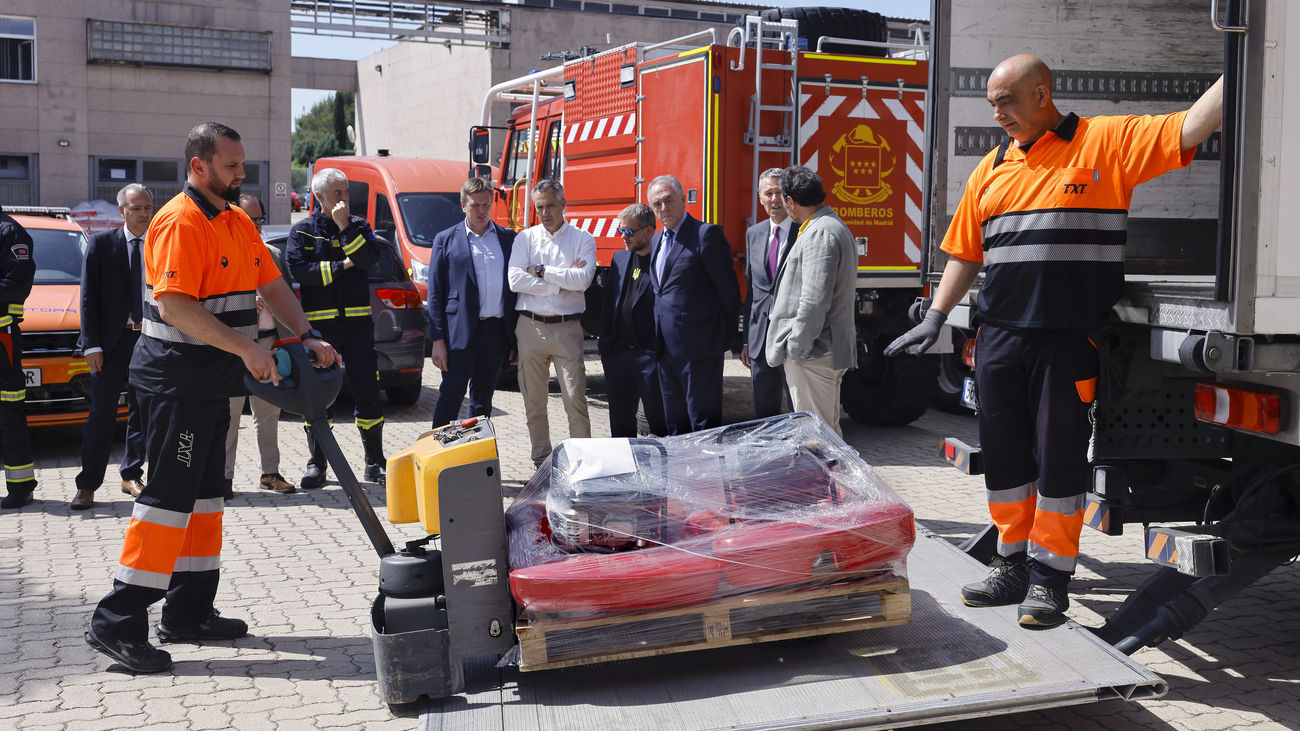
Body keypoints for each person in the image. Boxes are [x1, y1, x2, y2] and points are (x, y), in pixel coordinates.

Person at [885, 55, 1224, 629]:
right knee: (1006, 460)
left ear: (1042, 94)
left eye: (1007, 101)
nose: (998, 114)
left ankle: (1048, 579)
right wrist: (937, 315)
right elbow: (966, 252)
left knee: (1060, 461)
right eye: (992, 104)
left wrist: (1251, 54)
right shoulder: (991, 168)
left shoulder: (1105, 143)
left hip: (1067, 340)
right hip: (999, 338)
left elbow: (1191, 126)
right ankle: (1011, 564)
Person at [86, 122, 338, 673]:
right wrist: (247, 348)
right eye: (231, 165)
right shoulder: (179, 221)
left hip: (211, 382)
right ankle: (117, 621)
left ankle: (188, 612)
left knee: (204, 499)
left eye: (242, 163)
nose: (241, 173)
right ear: (198, 166)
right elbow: (175, 306)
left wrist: (306, 334)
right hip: (175, 382)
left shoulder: (235, 219)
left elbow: (272, 284)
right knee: (167, 501)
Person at [287, 168, 386, 487]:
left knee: (368, 392)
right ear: (319, 197)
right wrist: (343, 264)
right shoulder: (302, 231)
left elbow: (368, 259)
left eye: (346, 192)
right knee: (317, 397)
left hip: (357, 327)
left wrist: (344, 227)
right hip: (320, 331)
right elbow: (302, 272)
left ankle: (375, 463)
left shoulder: (358, 225)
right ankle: (317, 465)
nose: (345, 198)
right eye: (337, 193)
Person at [71, 184, 151, 510]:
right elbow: (88, 298)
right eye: (136, 208)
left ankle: (131, 474)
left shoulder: (160, 244)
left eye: (148, 207)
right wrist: (91, 345)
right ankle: (87, 484)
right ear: (122, 211)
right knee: (101, 414)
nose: (144, 214)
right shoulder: (102, 244)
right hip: (110, 345)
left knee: (141, 412)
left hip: (149, 340)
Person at [506, 180, 596, 466]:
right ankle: (541, 462)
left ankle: (582, 464)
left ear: (563, 205)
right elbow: (514, 280)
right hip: (530, 328)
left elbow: (583, 280)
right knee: (534, 402)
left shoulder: (582, 238)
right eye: (539, 207)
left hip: (567, 329)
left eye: (550, 206)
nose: (545, 213)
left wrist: (541, 270)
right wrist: (559, 283)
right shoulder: (525, 238)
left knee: (575, 400)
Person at [765, 166, 857, 437]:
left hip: (814, 354)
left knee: (816, 439)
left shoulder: (820, 232)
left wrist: (797, 349)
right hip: (822, 350)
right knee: (825, 435)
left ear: (790, 201)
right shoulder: (827, 226)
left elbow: (814, 301)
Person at [647, 175, 740, 434]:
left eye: (668, 200)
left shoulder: (705, 235)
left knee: (704, 426)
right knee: (675, 425)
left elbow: (728, 291)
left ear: (682, 199)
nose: (664, 208)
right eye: (657, 204)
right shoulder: (656, 240)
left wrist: (723, 339)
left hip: (700, 350)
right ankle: (679, 462)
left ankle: (708, 464)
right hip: (665, 349)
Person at [427, 177, 518, 428]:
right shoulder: (445, 239)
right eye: (475, 205)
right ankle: (437, 447)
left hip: (495, 331)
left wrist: (514, 340)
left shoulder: (507, 238)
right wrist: (437, 340)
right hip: (458, 332)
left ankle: (475, 449)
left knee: (482, 402)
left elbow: (515, 291)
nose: (481, 211)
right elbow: (435, 293)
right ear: (463, 205)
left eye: (486, 205)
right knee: (451, 396)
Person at [222, 194, 294, 497]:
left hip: (268, 344)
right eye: (248, 220)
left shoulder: (273, 254)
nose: (255, 225)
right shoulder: (222, 253)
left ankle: (270, 473)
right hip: (235, 346)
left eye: (259, 219)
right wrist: (244, 302)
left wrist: (287, 342)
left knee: (268, 414)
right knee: (229, 416)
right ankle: (223, 478)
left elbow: (284, 298)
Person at [598, 203, 667, 438]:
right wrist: (606, 347)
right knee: (620, 428)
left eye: (628, 231)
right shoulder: (620, 258)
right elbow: (609, 304)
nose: (623, 237)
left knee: (659, 425)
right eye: (620, 231)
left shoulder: (662, 260)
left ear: (649, 230)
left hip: (649, 357)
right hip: (618, 355)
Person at [742, 168, 796, 419]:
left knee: (797, 406)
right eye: (768, 193)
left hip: (793, 336)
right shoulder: (753, 233)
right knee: (764, 410)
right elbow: (752, 289)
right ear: (760, 198)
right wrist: (746, 338)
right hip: (760, 338)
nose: (774, 199)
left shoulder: (804, 231)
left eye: (779, 193)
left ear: (789, 197)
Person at [0, 206, 36, 509]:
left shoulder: (10, 232)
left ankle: (21, 487)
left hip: (2, 337)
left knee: (9, 409)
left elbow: (17, 282)